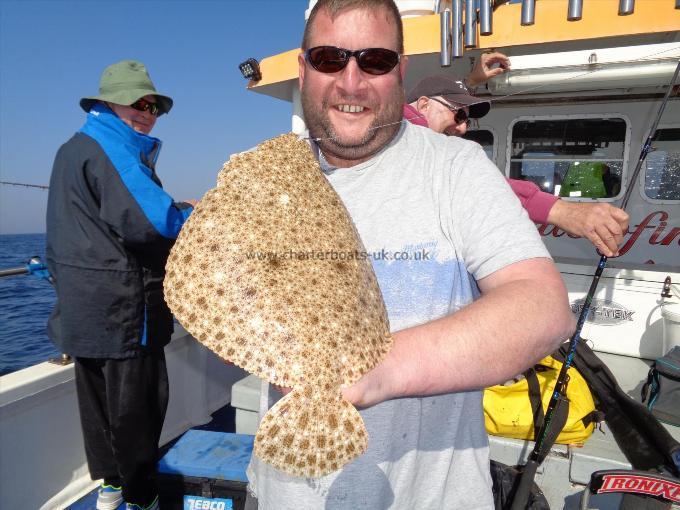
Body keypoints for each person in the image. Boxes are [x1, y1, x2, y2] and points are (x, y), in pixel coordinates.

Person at [245, 1, 575, 509]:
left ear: (400, 70)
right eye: (330, 59)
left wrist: (376, 369)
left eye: (374, 60)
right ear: (304, 68)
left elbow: (542, 308)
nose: (350, 82)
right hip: (285, 491)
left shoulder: (455, 167)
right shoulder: (266, 182)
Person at [46, 60, 195, 510]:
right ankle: (140, 496)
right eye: (138, 103)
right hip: (124, 310)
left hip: (82, 309)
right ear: (108, 102)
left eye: (154, 106)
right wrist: (192, 212)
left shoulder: (72, 148)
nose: (147, 112)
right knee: (138, 409)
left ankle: (110, 486)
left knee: (98, 408)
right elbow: (151, 222)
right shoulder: (112, 146)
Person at [405, 74, 630, 257]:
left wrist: (471, 79)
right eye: (459, 114)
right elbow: (477, 184)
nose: (463, 128)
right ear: (424, 105)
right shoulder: (405, 136)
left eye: (467, 120)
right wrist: (562, 212)